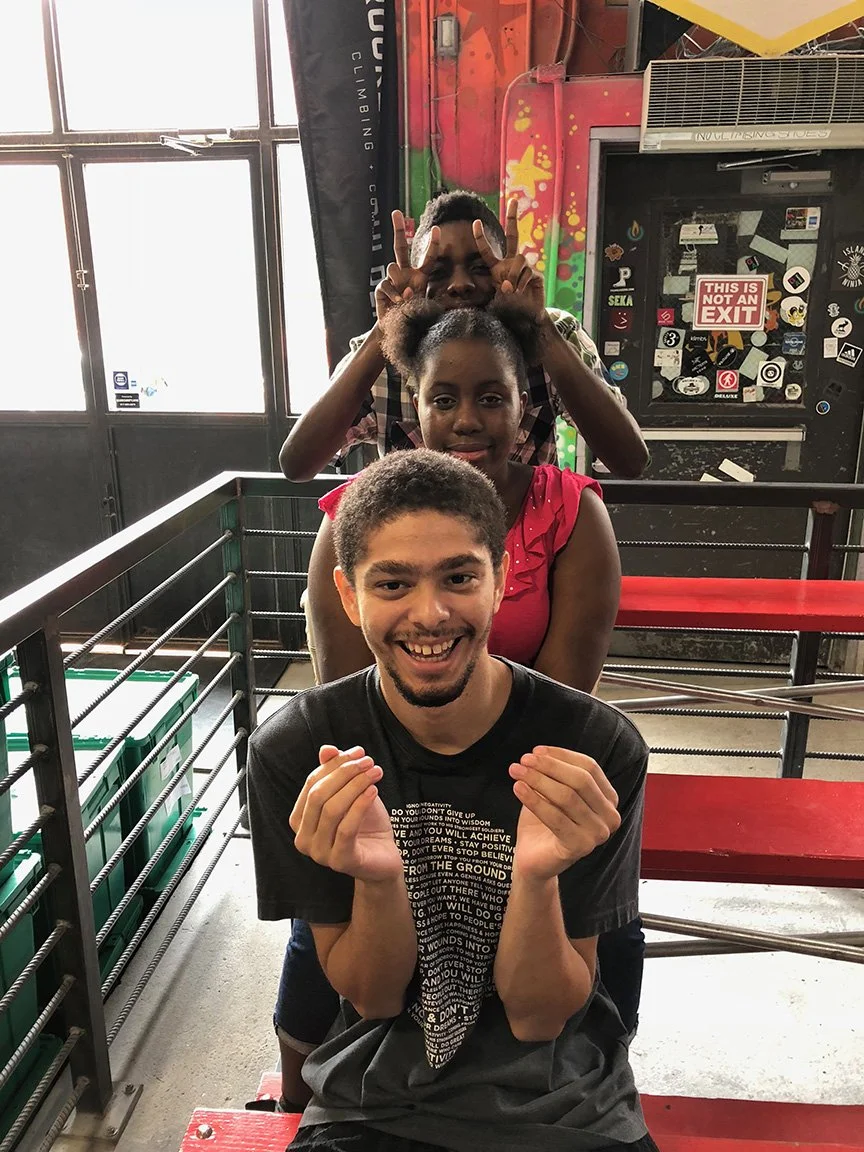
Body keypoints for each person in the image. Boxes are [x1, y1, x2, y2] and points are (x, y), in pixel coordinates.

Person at [268, 301, 643, 1113]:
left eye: (461, 579)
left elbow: (563, 702)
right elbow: (344, 700)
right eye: (393, 582)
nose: (430, 611)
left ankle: (603, 1051)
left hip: (524, 776)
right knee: (324, 947)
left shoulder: (570, 509)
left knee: (589, 969)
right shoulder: (355, 522)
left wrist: (530, 857)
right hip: (398, 788)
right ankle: (297, 1097)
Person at [278, 190, 648, 481]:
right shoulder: (379, 352)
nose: (460, 285)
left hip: (529, 546)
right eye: (437, 271)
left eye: (480, 267)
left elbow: (629, 461)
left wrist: (539, 329)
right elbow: (298, 464)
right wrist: (386, 332)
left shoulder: (554, 333)